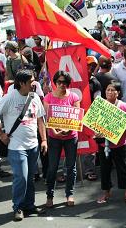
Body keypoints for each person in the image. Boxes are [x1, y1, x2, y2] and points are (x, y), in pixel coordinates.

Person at [0, 69, 48, 221]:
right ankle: (18, 207)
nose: (34, 84)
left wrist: (44, 140)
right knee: (21, 177)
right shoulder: (10, 98)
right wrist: (1, 134)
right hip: (16, 146)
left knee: (29, 178)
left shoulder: (34, 97)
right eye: (30, 82)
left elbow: (40, 119)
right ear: (21, 83)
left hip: (33, 145)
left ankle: (29, 205)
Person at [43, 71, 80, 208]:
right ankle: (49, 196)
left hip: (71, 137)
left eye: (65, 82)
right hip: (54, 138)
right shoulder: (47, 98)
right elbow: (47, 119)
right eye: (59, 82)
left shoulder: (74, 97)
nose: (62, 84)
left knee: (71, 167)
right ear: (55, 82)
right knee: (52, 168)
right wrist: (54, 131)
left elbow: (77, 117)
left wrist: (68, 130)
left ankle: (69, 194)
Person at [96, 82, 126, 205]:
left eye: (113, 90)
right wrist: (97, 133)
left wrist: (117, 129)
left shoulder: (123, 106)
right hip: (103, 144)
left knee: (121, 168)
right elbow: (94, 122)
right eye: (108, 90)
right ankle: (106, 192)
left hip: (119, 144)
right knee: (105, 169)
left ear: (118, 93)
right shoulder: (100, 105)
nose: (110, 92)